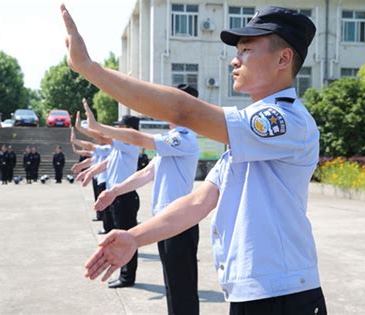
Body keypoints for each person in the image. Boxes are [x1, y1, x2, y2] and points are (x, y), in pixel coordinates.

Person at [62, 4, 326, 314]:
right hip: (253, 293)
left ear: (284, 58)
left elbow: (183, 111)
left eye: (247, 49)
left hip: (285, 295)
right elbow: (197, 201)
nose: (234, 59)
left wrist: (91, 68)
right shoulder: (249, 133)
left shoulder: (286, 120)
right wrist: (134, 237)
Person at [86, 84, 201, 314]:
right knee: (173, 284)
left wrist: (100, 127)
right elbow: (146, 173)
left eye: (172, 102)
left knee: (182, 287)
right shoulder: (171, 141)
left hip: (179, 222)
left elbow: (136, 138)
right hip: (165, 221)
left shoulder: (184, 139)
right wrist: (114, 191)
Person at [76, 111, 140, 289]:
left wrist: (86, 127)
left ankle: (128, 277)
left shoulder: (131, 144)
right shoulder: (119, 148)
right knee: (117, 236)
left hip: (125, 197)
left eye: (121, 126)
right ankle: (122, 272)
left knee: (127, 237)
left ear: (129, 129)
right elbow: (105, 164)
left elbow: (104, 137)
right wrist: (87, 172)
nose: (118, 129)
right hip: (116, 197)